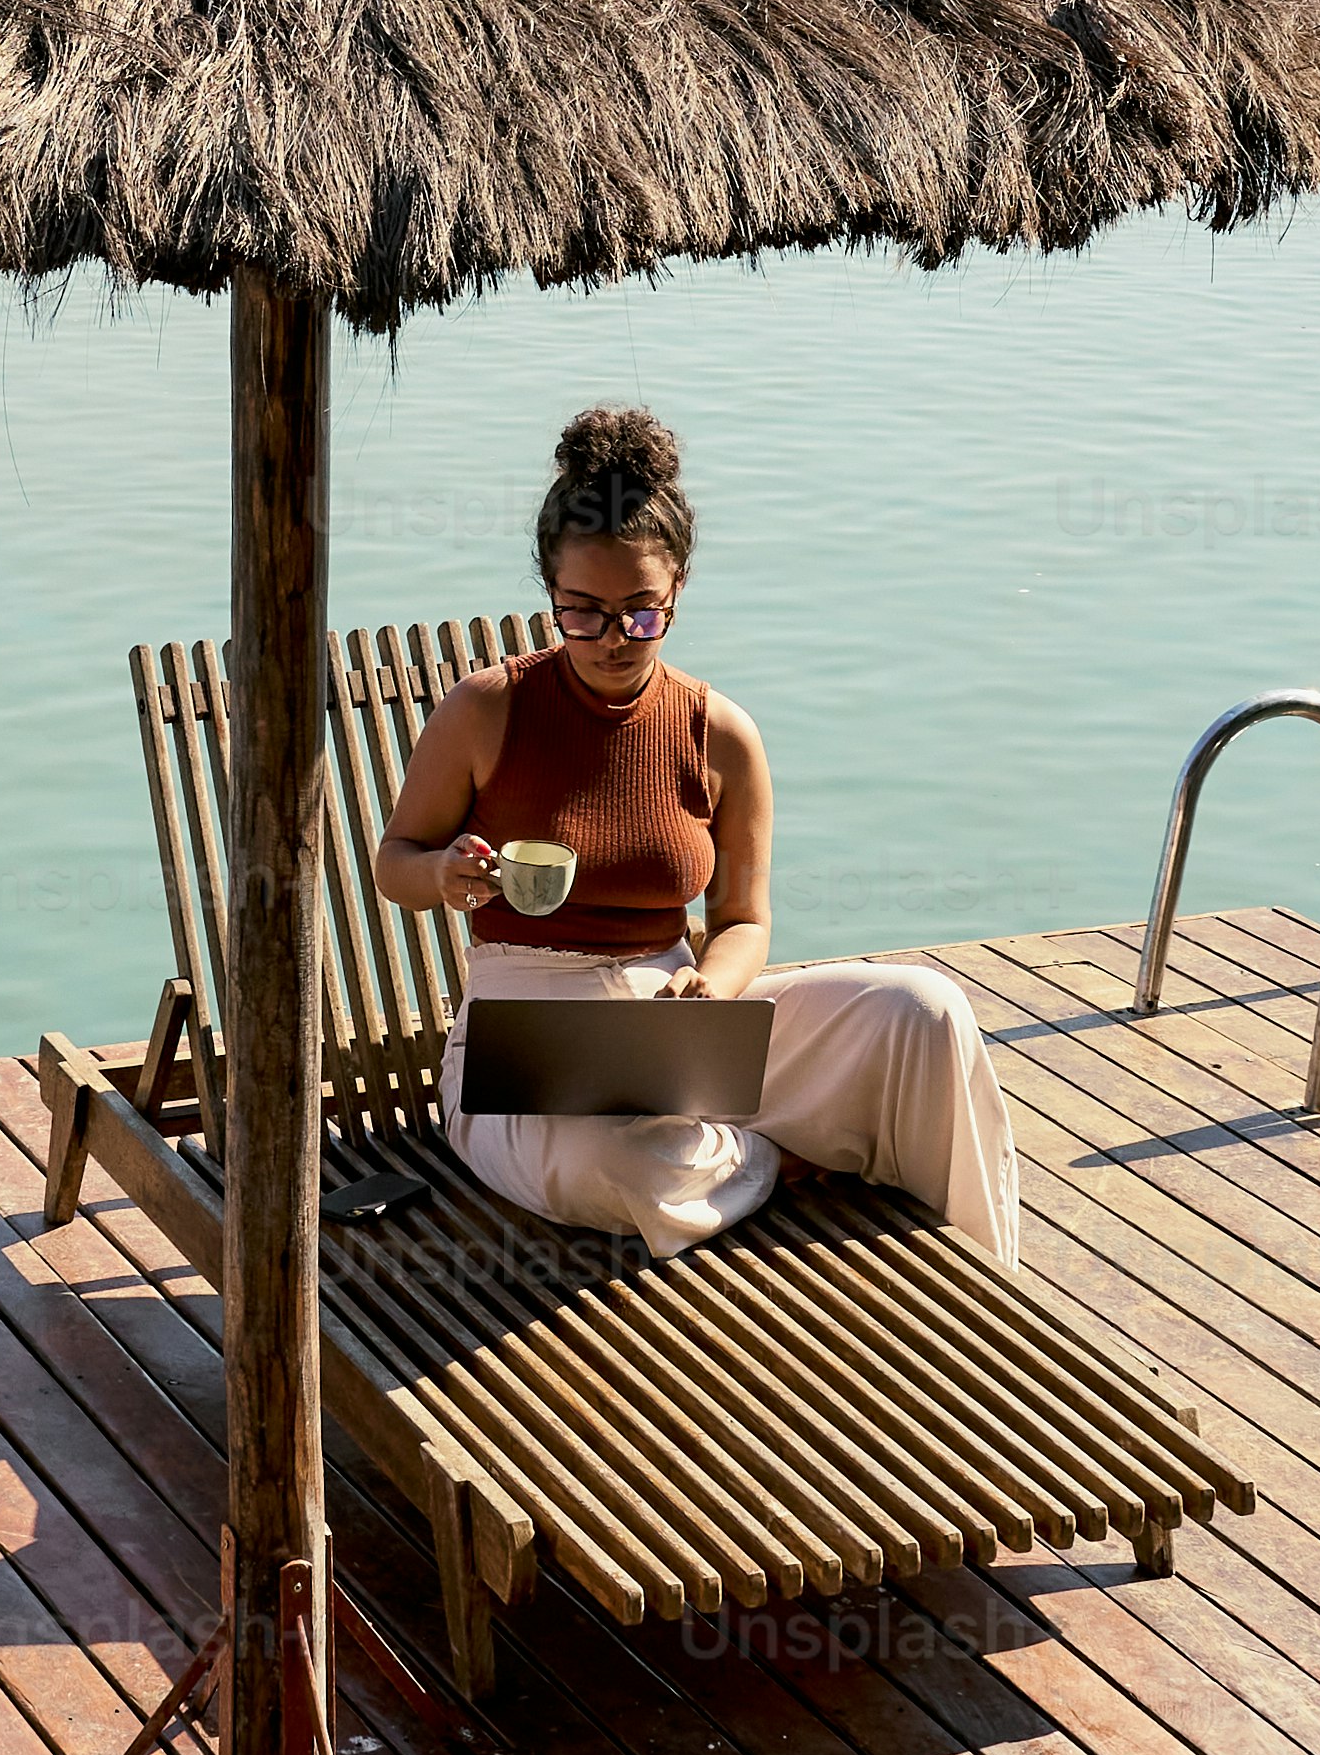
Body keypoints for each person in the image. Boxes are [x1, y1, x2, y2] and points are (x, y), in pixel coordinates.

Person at [376, 404, 1021, 1260]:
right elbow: (396, 861)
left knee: (924, 1013)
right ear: (549, 592)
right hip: (527, 1051)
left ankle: (984, 1270)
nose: (613, 640)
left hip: (678, 1031)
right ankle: (769, 1156)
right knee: (619, 1164)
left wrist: (711, 989)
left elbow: (743, 921)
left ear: (676, 587)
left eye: (640, 613)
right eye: (582, 613)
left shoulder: (720, 733)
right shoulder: (486, 711)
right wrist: (443, 875)